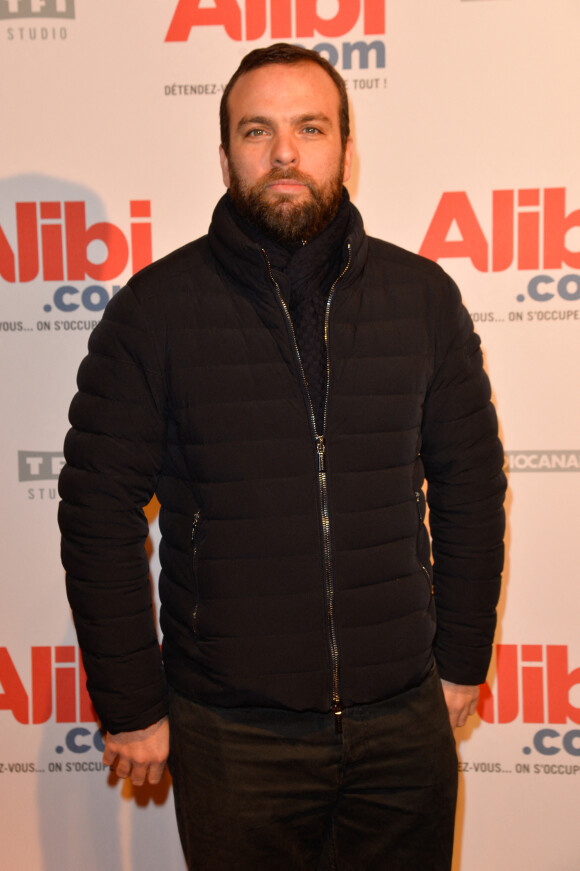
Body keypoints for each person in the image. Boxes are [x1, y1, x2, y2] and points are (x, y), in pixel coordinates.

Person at [59, 43, 506, 871]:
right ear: (226, 152)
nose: (286, 152)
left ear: (346, 146)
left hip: (402, 725)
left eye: (311, 127)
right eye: (258, 130)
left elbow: (471, 485)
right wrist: (131, 704)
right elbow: (96, 510)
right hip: (233, 735)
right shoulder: (154, 312)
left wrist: (463, 660)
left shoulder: (423, 299)